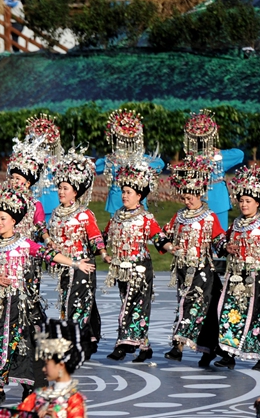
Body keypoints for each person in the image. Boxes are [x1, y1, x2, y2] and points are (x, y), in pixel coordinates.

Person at [0, 184, 94, 406]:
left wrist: (75, 263)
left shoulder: (24, 244)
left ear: (14, 221)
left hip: (20, 304)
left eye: (3, 218)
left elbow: (49, 254)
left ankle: (26, 385)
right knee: (0, 342)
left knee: (21, 344)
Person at [162, 156, 225, 366]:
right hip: (182, 270)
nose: (187, 202)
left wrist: (229, 247)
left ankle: (178, 346)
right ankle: (208, 349)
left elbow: (219, 240)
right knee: (188, 305)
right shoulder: (179, 216)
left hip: (202, 270)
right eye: (185, 198)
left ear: (200, 194)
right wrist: (170, 247)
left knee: (193, 305)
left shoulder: (209, 216)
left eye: (191, 198)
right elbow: (163, 237)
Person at [0, 319, 89, 418]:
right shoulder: (39, 396)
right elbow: (12, 415)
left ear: (61, 365)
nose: (43, 368)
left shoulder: (74, 400)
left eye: (47, 363)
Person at [44, 148, 104, 360]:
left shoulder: (84, 214)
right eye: (59, 187)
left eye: (65, 188)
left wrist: (103, 253)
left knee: (77, 304)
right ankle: (90, 337)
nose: (61, 191)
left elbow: (96, 237)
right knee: (68, 302)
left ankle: (75, 344)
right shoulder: (56, 214)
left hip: (83, 265)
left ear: (75, 191)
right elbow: (49, 236)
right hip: (64, 266)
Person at [103, 158, 165, 363]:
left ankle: (123, 344)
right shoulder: (117, 215)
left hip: (139, 268)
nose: (124, 195)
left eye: (129, 192)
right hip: (121, 267)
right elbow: (104, 237)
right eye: (123, 192)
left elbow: (159, 238)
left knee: (131, 305)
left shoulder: (146, 218)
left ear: (139, 196)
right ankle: (144, 346)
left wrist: (173, 247)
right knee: (130, 303)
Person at [214, 164, 260, 370]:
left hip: (256, 276)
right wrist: (226, 247)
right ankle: (228, 353)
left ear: (257, 202)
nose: (243, 205)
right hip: (235, 276)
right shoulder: (237, 224)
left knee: (257, 316)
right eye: (241, 201)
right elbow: (221, 242)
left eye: (248, 201)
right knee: (229, 312)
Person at [95, 109, 165, 216]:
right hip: (117, 201)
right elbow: (95, 168)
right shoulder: (111, 159)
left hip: (136, 199)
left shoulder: (142, 159)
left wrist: (140, 165)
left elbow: (160, 164)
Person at [183, 110, 243, 231]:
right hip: (208, 201)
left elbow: (239, 154)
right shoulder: (197, 158)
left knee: (211, 236)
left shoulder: (198, 158)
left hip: (210, 201)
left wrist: (218, 152)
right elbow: (239, 154)